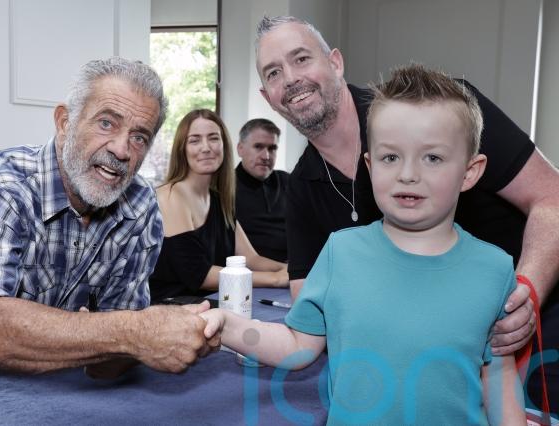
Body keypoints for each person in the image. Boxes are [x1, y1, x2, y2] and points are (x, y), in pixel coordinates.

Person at [254, 16, 559, 410]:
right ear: (267, 97)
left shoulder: (446, 110)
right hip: (423, 369)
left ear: (335, 62)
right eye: (274, 72)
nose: (292, 78)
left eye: (301, 59)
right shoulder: (302, 187)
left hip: (524, 327)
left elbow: (551, 197)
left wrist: (525, 295)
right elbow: (312, 306)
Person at [201, 64, 526, 425]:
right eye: (391, 157)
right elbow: (297, 345)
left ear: (469, 171)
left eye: (432, 158)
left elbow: (499, 377)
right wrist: (227, 326)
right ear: (370, 166)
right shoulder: (340, 253)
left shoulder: (495, 269)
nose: (407, 174)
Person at [0, 57, 219, 388]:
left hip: (56, 391)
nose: (122, 150)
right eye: (106, 123)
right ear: (64, 122)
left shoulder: (140, 205)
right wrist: (132, 332)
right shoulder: (0, 188)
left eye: (139, 137)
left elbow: (107, 368)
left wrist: (170, 332)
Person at [149, 109, 288, 303]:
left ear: (224, 146)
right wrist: (275, 279)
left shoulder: (218, 198)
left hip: (211, 303)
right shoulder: (171, 195)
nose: (206, 148)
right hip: (170, 307)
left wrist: (290, 270)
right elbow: (199, 274)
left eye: (213, 138)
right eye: (195, 140)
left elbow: (251, 258)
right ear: (182, 149)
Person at [235, 118, 289, 262]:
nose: (266, 156)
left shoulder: (289, 182)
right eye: (258, 147)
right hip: (246, 270)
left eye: (272, 148)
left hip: (293, 267)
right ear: (240, 149)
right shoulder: (224, 187)